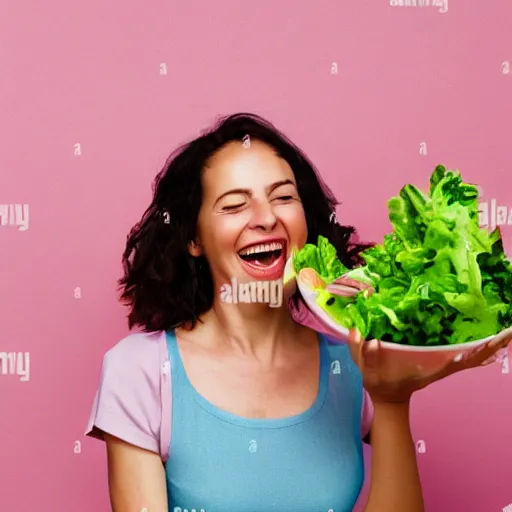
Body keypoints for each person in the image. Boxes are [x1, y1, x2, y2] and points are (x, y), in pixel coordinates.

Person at [85, 113, 512, 512]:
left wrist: (391, 399)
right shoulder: (140, 371)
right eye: (234, 205)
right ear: (193, 238)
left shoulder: (357, 363)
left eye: (284, 198)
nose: (266, 217)